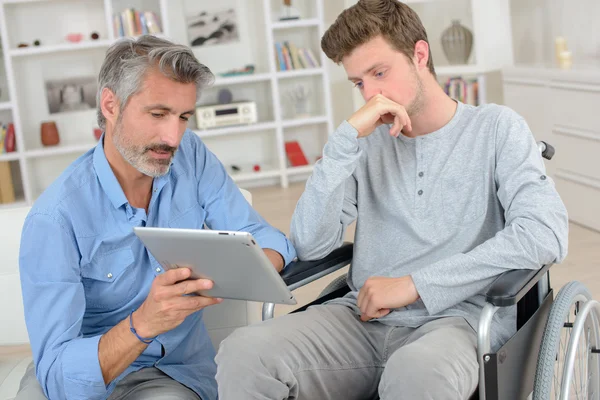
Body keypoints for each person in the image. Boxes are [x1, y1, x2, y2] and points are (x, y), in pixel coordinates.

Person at [214, 1, 569, 399]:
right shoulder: (364, 144)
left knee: (415, 373)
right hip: (360, 320)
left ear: (420, 54)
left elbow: (545, 234)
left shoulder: (496, 128)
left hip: (457, 321)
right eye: (359, 82)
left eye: (379, 72)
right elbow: (311, 244)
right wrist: (343, 142)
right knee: (244, 353)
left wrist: (416, 285)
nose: (371, 93)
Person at [17, 35, 296, 400]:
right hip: (78, 373)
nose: (173, 136)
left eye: (183, 117)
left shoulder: (190, 156)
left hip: (169, 373)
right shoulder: (55, 219)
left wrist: (250, 267)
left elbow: (261, 234)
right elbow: (57, 375)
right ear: (110, 105)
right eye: (158, 114)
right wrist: (143, 323)